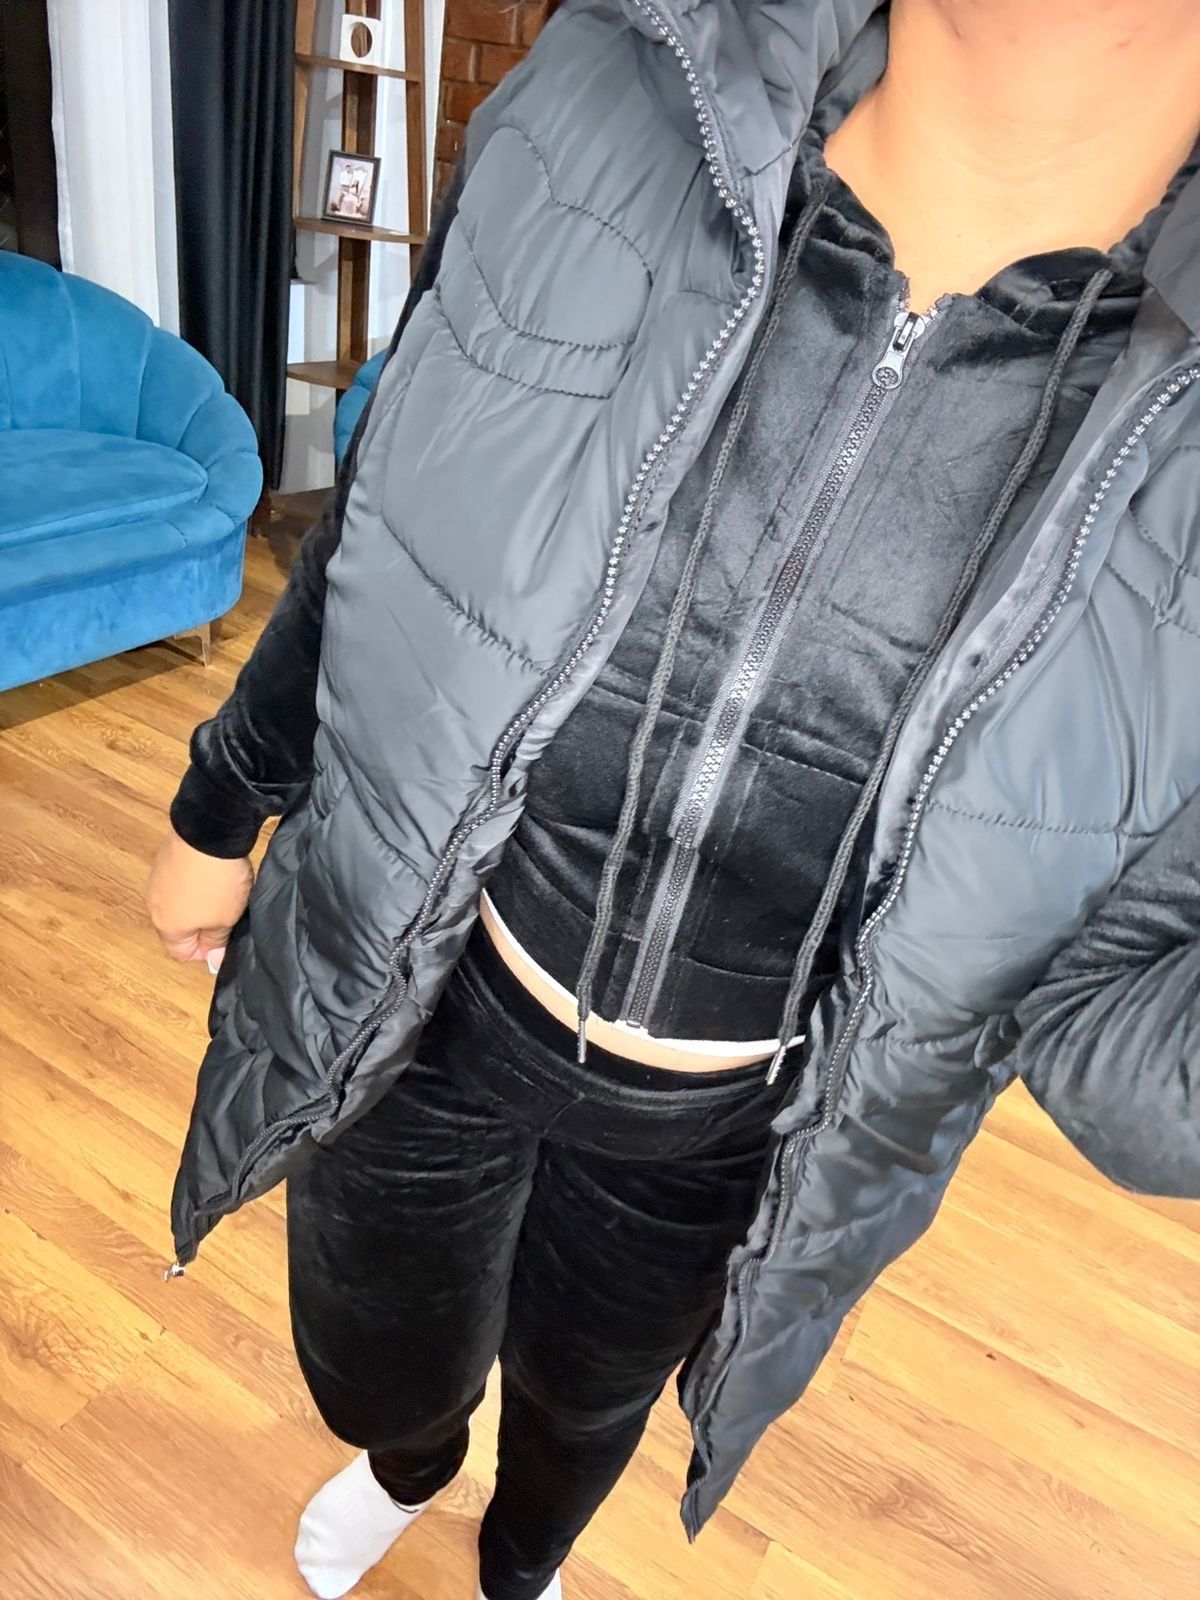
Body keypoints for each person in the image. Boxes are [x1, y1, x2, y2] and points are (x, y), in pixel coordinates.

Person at [147, 3, 1200, 1598]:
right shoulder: (619, 82)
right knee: (372, 1355)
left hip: (731, 1123)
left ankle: (521, 1562)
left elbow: (1124, 1047)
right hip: (436, 989)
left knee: (585, 1408)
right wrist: (225, 798)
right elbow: (399, 497)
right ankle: (411, 1462)